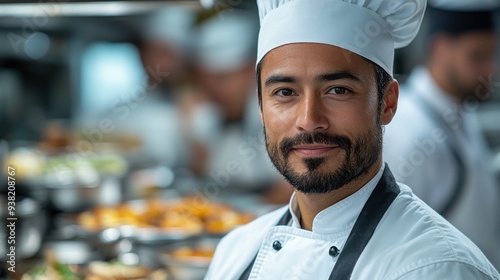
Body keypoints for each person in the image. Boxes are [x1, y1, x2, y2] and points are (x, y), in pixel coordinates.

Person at [205, 0, 500, 279]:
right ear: (260, 106)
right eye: (285, 92)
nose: (308, 120)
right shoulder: (235, 252)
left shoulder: (436, 269)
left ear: (387, 103)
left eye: (338, 90)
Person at [383, 0, 500, 268]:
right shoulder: (410, 133)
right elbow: (393, 248)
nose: (490, 71)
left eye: (490, 55)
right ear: (440, 48)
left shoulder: (458, 110)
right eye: (477, 56)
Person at [184, 9, 292, 202]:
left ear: (249, 72)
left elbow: (295, 186)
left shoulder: (278, 112)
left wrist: (244, 211)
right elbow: (201, 174)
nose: (214, 89)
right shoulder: (208, 116)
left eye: (223, 78)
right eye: (206, 80)